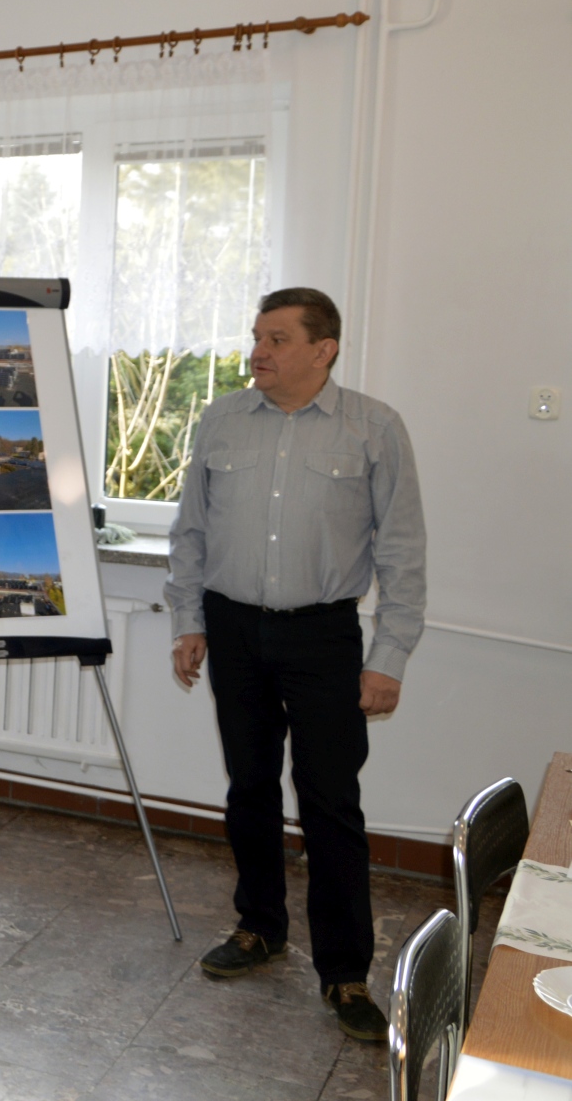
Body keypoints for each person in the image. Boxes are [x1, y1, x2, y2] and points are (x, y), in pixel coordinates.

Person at [166, 287, 425, 1043]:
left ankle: (345, 972)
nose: (258, 352)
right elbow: (190, 532)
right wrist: (189, 621)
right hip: (232, 628)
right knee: (248, 786)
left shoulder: (374, 427)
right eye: (256, 336)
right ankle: (259, 928)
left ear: (323, 349)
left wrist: (388, 656)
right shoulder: (221, 420)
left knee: (329, 802)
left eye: (277, 339)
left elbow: (402, 551)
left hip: (323, 636)